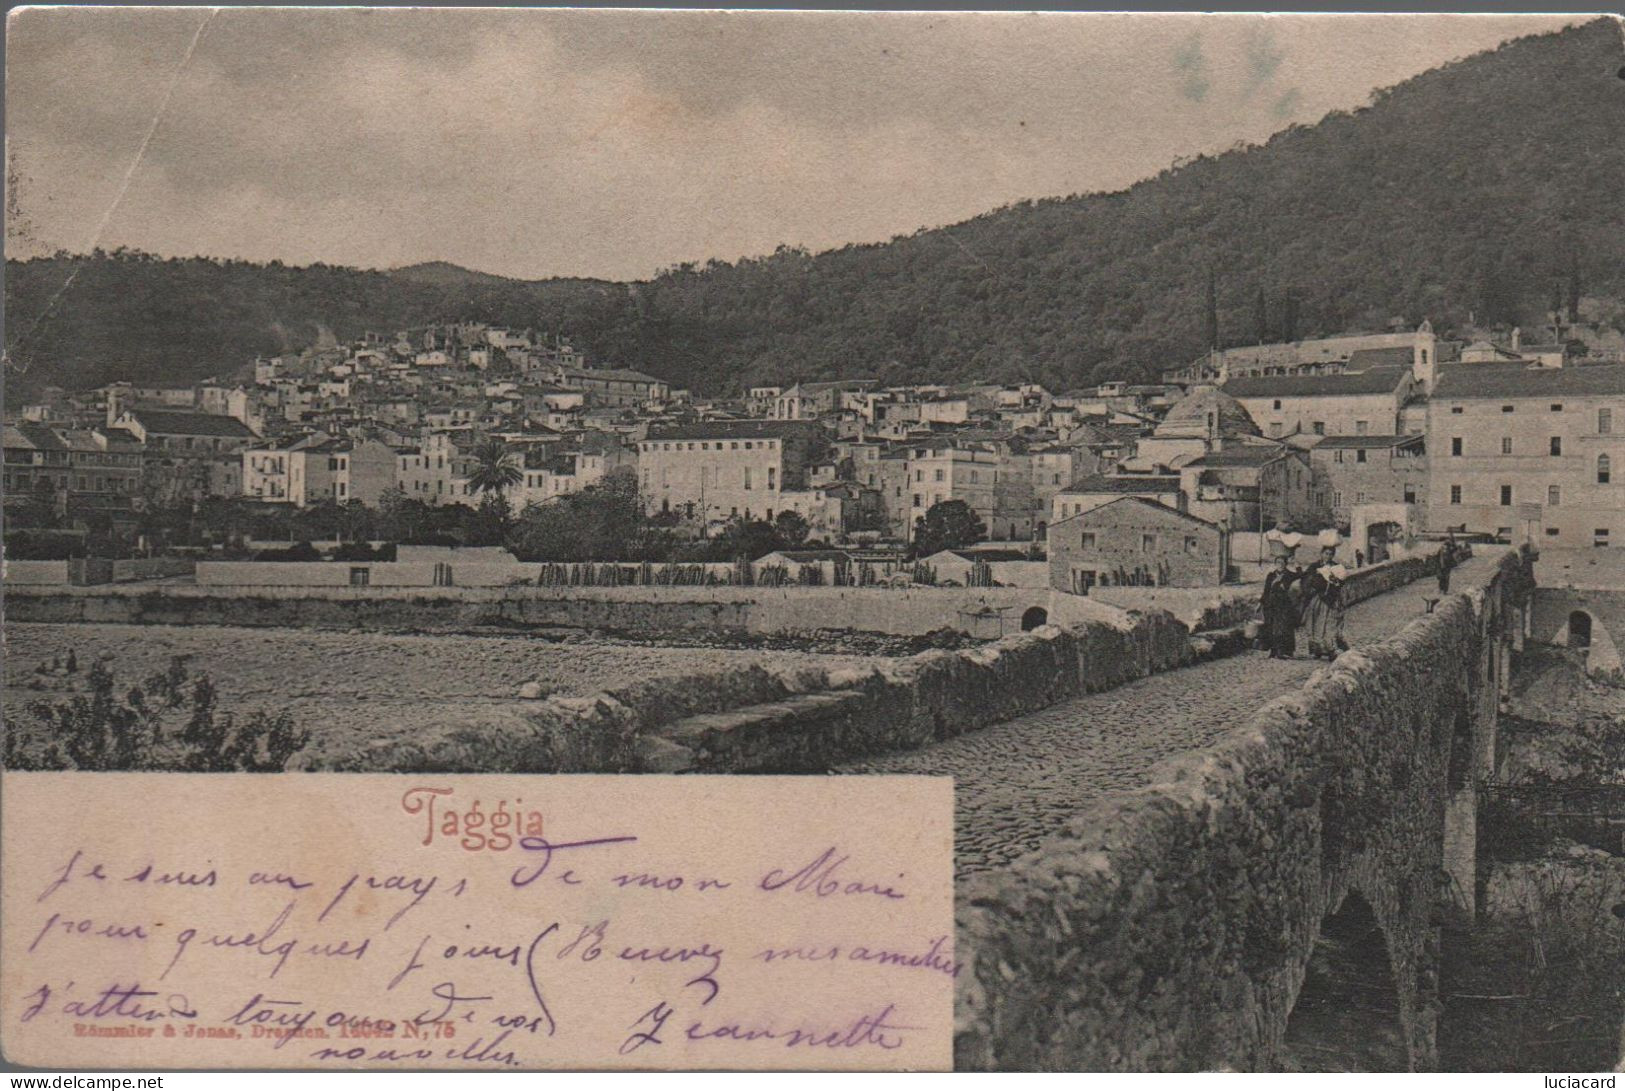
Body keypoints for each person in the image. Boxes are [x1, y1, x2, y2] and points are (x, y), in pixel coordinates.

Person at [1302, 545, 1349, 661]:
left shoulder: (1336, 567)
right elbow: (1306, 580)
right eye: (1326, 553)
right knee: (1314, 623)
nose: (1327, 556)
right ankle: (1316, 649)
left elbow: (1341, 582)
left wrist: (1334, 581)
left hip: (1330, 599)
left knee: (1329, 624)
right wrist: (1310, 589)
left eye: (1330, 554)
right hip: (1316, 598)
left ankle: (1330, 649)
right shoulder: (1314, 566)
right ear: (1321, 553)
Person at [1259, 552, 1303, 659]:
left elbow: (1301, 575)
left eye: (1282, 562)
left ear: (1286, 564)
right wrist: (1260, 603)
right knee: (1271, 627)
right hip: (1270, 604)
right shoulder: (1271, 575)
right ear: (1275, 563)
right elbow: (1266, 590)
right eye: (1278, 562)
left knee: (1283, 628)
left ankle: (1282, 650)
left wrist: (1297, 565)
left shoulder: (1289, 575)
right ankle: (1273, 650)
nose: (1280, 564)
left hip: (1283, 605)